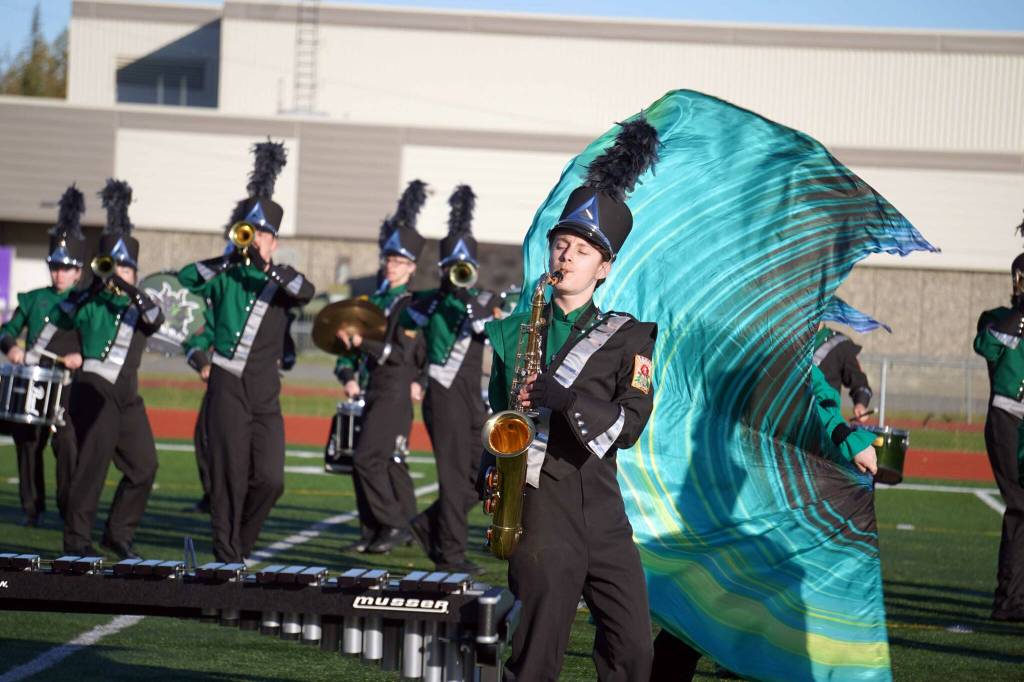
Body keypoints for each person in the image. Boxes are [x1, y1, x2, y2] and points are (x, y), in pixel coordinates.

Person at [482, 119, 658, 681]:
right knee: (536, 656)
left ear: (603, 269)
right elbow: (496, 418)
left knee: (633, 651)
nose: (565, 257)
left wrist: (566, 400)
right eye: (561, 245)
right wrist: (489, 474)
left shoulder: (631, 337)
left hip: (602, 509)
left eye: (581, 251)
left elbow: (630, 426)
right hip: (540, 508)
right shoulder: (513, 332)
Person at [649, 363, 879, 681]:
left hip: (729, 482)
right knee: (723, 604)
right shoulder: (778, 347)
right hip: (754, 489)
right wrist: (847, 440)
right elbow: (812, 398)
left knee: (712, 603)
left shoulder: (743, 344)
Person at [178, 141, 314, 563]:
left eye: (263, 235)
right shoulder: (225, 275)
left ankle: (240, 545)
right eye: (249, 233)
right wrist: (230, 258)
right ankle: (227, 555)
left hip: (264, 390)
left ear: (274, 241)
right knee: (228, 476)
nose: (256, 240)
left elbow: (305, 292)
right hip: (227, 382)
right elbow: (187, 277)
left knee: (271, 480)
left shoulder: (281, 276)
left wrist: (264, 266)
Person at [40, 179, 164, 558]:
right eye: (114, 267)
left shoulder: (141, 303)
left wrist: (126, 288)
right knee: (92, 468)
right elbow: (62, 316)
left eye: (126, 268)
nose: (119, 274)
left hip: (127, 395)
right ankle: (76, 541)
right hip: (94, 389)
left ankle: (118, 533)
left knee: (145, 467)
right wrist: (97, 286)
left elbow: (156, 317)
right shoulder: (88, 301)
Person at [406, 185, 496, 574]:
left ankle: (429, 524)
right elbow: (408, 331)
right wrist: (447, 291)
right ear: (444, 268)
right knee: (451, 474)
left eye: (464, 266)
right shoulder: (430, 300)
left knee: (486, 474)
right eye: (452, 266)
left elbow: (483, 327)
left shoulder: (482, 298)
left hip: (473, 398)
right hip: (442, 396)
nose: (458, 273)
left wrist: (464, 296)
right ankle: (451, 553)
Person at [335, 180, 427, 554]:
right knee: (388, 460)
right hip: (372, 386)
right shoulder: (373, 299)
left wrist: (363, 344)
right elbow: (351, 349)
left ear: (412, 267)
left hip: (394, 386)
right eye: (390, 259)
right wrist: (347, 372)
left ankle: (392, 525)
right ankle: (376, 529)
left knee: (368, 458)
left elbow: (398, 352)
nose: (392, 266)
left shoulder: (411, 303)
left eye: (400, 262)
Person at [0, 185, 87, 526]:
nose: (59, 273)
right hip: (34, 381)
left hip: (66, 384)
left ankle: (68, 507)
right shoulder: (33, 299)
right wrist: (12, 348)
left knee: (66, 445)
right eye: (55, 266)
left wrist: (81, 355)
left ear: (78, 271)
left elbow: (95, 341)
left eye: (66, 268)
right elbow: (7, 332)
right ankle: (32, 508)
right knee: (27, 441)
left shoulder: (85, 302)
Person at [974, 228, 1024, 622]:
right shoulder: (999, 319)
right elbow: (985, 345)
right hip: (1007, 419)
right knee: (1020, 507)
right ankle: (1007, 601)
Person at [182, 306, 214, 514]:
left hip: (257, 392)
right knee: (204, 438)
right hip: (222, 390)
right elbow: (195, 344)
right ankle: (212, 495)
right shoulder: (219, 314)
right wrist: (203, 364)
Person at [813, 323, 873, 422]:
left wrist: (860, 403)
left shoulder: (838, 344)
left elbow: (859, 382)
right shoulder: (792, 344)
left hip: (825, 421)